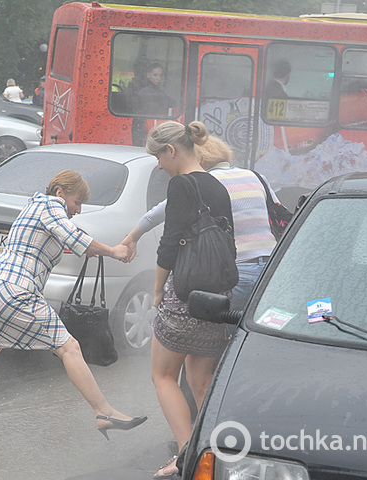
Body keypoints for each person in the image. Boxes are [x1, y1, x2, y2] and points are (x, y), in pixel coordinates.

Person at [0, 170, 147, 439]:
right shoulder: (49, 205)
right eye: (77, 202)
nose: (78, 209)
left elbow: (77, 238)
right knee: (70, 347)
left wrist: (118, 244)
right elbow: (74, 238)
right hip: (14, 291)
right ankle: (104, 412)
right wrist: (115, 251)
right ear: (60, 193)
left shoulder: (36, 209)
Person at [142, 121, 233, 478]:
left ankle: (185, 455)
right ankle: (218, 452)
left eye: (159, 158)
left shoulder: (180, 184)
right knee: (202, 380)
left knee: (163, 374)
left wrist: (157, 289)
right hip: (215, 296)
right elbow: (229, 244)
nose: (159, 166)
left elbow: (170, 243)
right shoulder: (218, 185)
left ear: (172, 151)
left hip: (185, 295)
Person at [123, 135, 279, 310]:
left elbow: (156, 215)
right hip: (270, 269)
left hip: (236, 270)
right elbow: (279, 212)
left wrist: (132, 237)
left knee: (229, 332)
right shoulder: (257, 177)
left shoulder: (206, 182)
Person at [131, 63, 176, 146]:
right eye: (155, 75)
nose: (158, 78)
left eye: (161, 75)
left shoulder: (155, 90)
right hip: (145, 126)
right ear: (148, 75)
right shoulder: (149, 92)